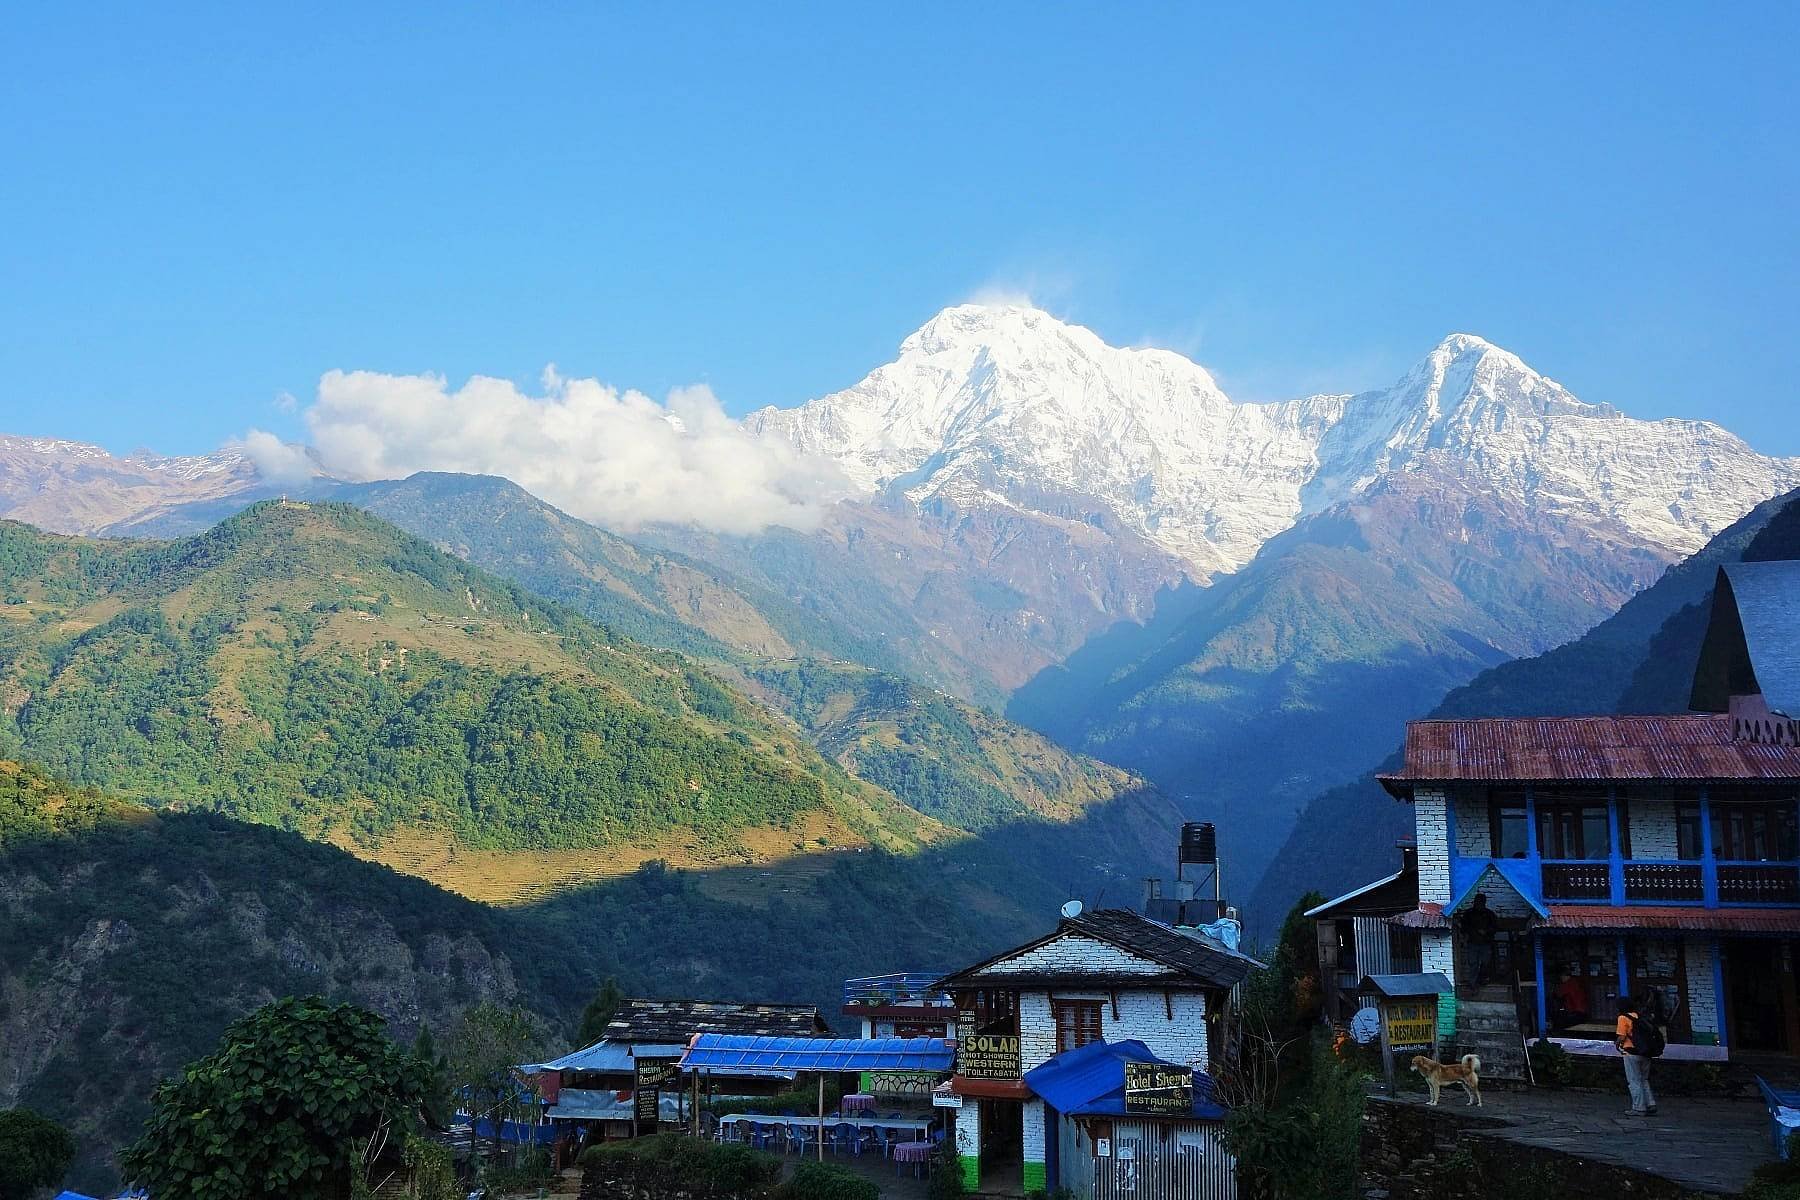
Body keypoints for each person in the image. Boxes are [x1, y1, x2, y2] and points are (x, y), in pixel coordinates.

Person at [1616, 996, 1658, 1116]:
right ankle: (1650, 1103)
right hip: (1645, 1051)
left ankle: (1638, 1107)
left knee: (1634, 1080)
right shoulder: (1639, 1016)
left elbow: (1622, 1036)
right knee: (1644, 1079)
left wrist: (1617, 1044)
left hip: (1630, 1052)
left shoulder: (1623, 1018)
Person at [1458, 893, 1499, 986]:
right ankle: (1473, 984)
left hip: (1486, 942)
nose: (1478, 904)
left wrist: (1486, 931)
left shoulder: (1489, 914)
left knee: (1485, 963)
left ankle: (1482, 981)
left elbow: (1495, 927)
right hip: (1472, 942)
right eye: (1477, 902)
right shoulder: (1469, 914)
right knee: (1473, 963)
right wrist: (1468, 935)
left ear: (1484, 903)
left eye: (1480, 902)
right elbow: (1464, 927)